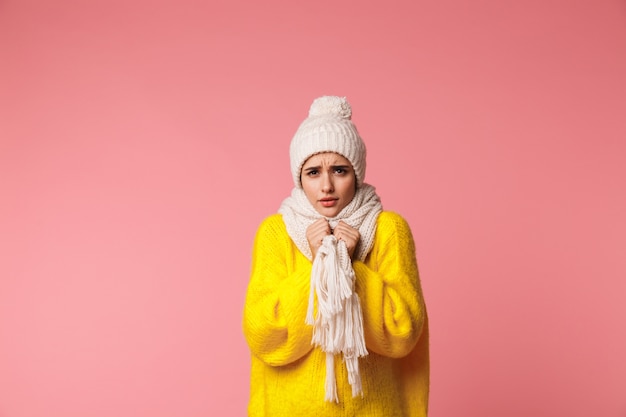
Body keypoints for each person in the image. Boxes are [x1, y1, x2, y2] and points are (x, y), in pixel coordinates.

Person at [243, 96, 429, 416]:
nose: (326, 186)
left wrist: (351, 268)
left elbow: (404, 332)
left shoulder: (388, 230)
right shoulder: (276, 232)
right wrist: (317, 269)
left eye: (339, 170)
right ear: (300, 178)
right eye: (313, 172)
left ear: (355, 174)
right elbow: (263, 334)